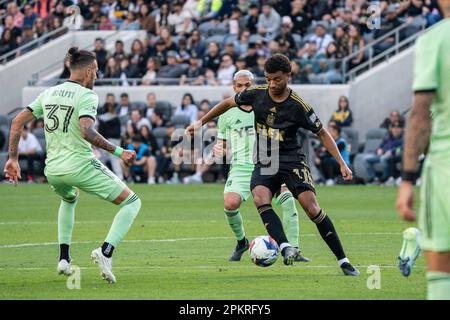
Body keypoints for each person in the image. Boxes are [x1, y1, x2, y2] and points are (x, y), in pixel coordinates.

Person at [187, 54, 358, 275]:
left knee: (311, 208)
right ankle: (285, 246)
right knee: (260, 197)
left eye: (277, 79)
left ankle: (343, 260)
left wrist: (342, 163)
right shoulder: (257, 95)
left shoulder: (298, 106)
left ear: (288, 76)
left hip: (291, 160)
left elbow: (323, 133)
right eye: (268, 79)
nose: (272, 84)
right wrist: (200, 122)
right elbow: (228, 102)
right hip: (265, 161)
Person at [3, 47, 140, 284]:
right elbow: (86, 130)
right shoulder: (87, 95)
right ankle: (105, 252)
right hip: (80, 165)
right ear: (87, 72)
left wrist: (13, 158)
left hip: (54, 171)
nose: (97, 75)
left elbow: (17, 122)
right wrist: (120, 151)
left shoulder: (49, 93)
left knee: (69, 198)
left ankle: (64, 259)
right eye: (96, 71)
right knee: (132, 202)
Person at [214, 70, 310, 262]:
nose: (243, 89)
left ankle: (294, 249)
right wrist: (219, 148)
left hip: (269, 163)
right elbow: (222, 142)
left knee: (288, 199)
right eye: (239, 86)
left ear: (254, 85)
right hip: (241, 166)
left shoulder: (265, 106)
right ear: (234, 88)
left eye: (247, 85)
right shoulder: (226, 114)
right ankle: (242, 242)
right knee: (230, 204)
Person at [396, 2, 450, 300]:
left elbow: (419, 114)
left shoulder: (435, 40)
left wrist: (406, 179)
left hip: (444, 168)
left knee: (440, 269)